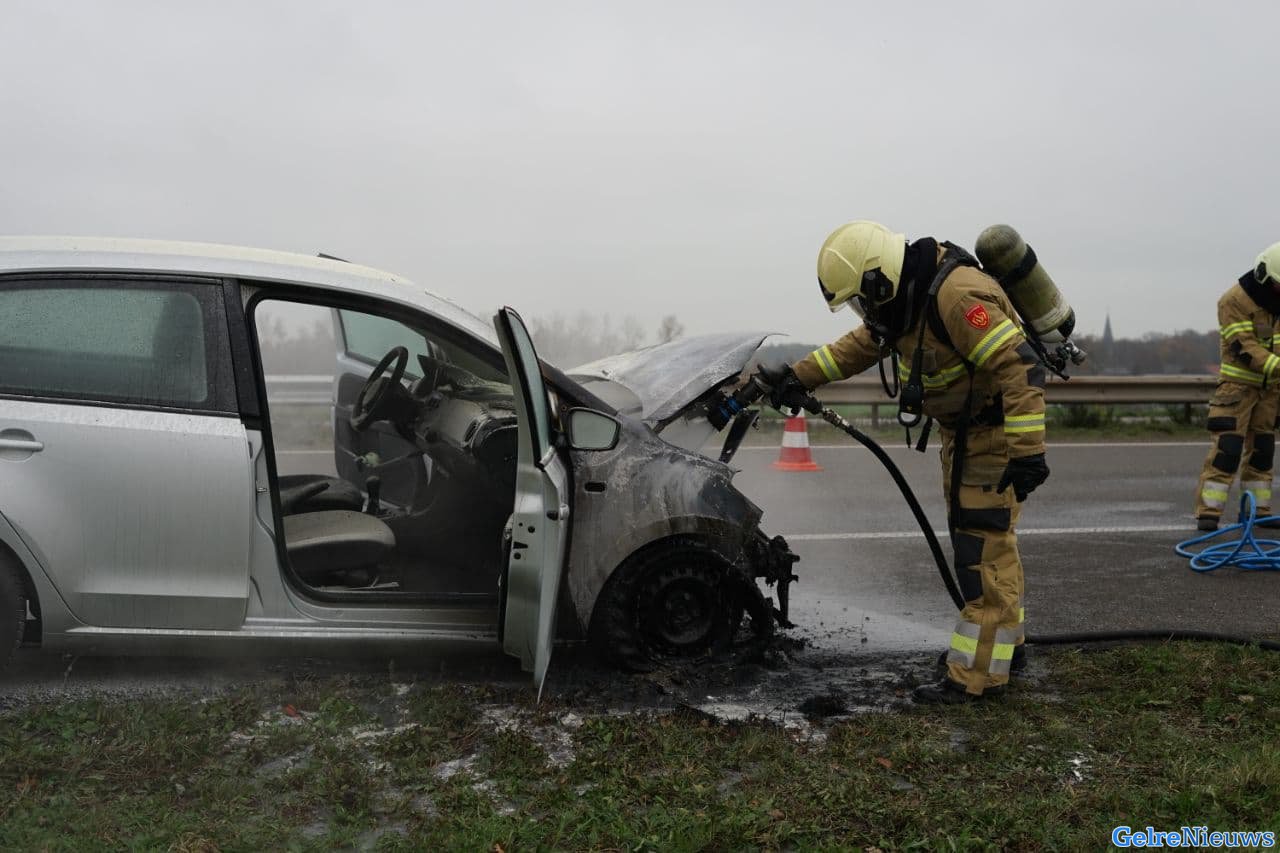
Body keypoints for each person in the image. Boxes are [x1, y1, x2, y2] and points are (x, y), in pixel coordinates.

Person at [762, 220, 1049, 704]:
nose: (865, 311)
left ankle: (976, 676)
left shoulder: (956, 297)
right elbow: (858, 347)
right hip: (964, 433)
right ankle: (1004, 648)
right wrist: (799, 375)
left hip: (990, 434)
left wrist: (1026, 451)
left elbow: (1018, 365)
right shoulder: (905, 301)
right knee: (990, 543)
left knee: (980, 550)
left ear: (879, 279)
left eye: (862, 299)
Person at [1194, 241, 1280, 531]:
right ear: (1263, 275)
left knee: (1263, 452)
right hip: (1237, 390)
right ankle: (1208, 513)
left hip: (1270, 391)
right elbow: (1244, 347)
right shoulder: (1233, 301)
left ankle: (1257, 511)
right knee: (1227, 449)